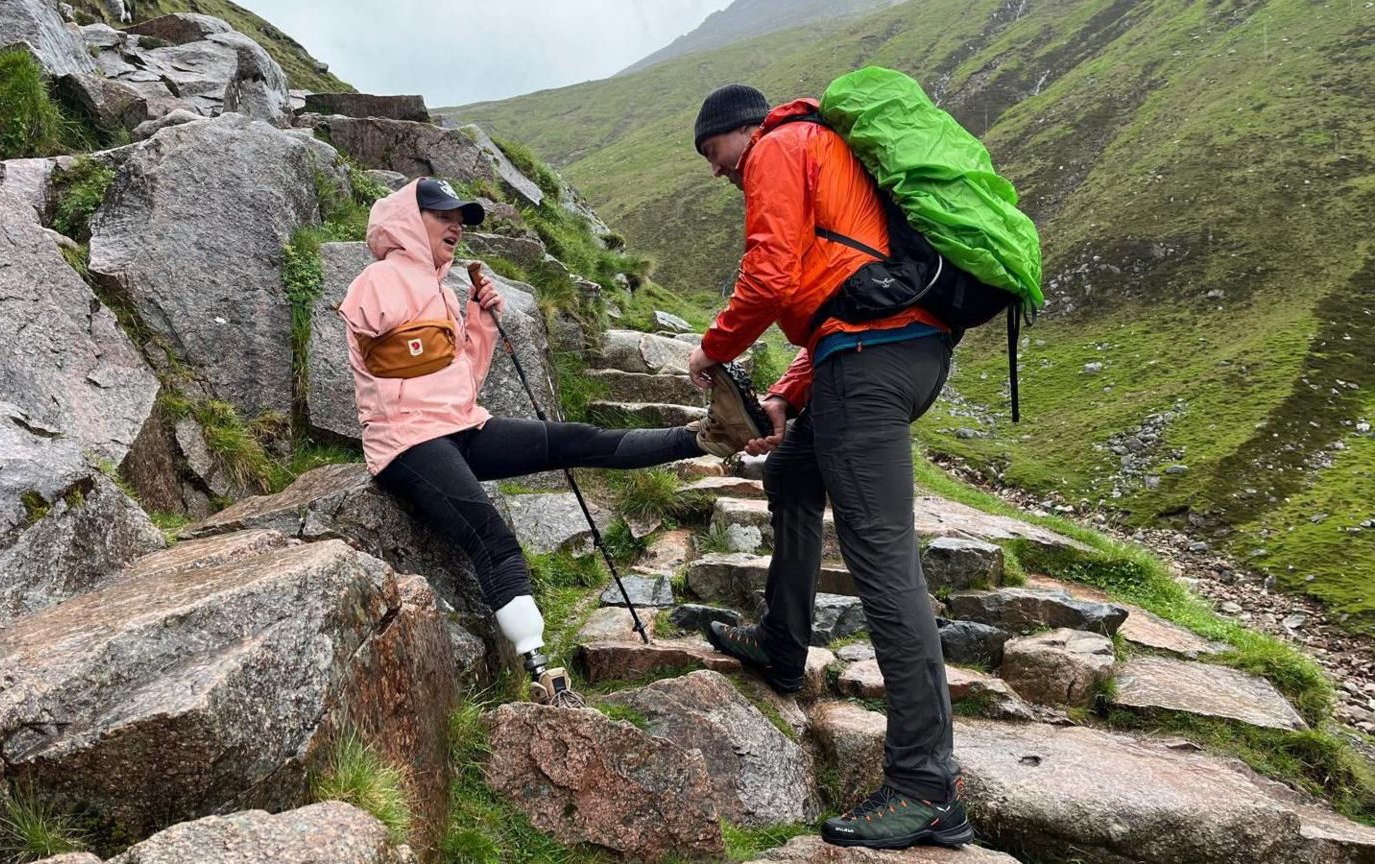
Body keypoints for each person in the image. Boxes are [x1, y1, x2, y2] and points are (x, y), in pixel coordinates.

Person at [339, 177, 762, 703]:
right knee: (490, 536)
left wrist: (477, 323)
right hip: (406, 442)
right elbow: (385, 358)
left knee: (579, 440)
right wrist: (437, 318)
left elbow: (460, 383)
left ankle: (707, 437)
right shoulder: (378, 281)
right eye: (443, 215)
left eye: (461, 218)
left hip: (463, 427)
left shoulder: (443, 290)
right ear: (407, 219)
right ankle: (540, 667)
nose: (456, 226)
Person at [687, 85, 972, 849]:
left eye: (715, 156)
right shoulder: (818, 150)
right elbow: (844, 293)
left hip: (873, 362)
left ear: (740, 133)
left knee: (882, 560)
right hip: (872, 347)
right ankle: (783, 643)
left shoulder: (780, 146)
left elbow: (772, 275)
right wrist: (784, 394)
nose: (719, 175)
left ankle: (926, 784)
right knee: (790, 476)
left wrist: (714, 351)